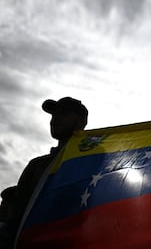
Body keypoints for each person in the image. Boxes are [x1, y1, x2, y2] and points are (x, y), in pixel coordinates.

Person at [0, 97, 88, 248]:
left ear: (81, 122)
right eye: (53, 115)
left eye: (63, 114)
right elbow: (17, 217)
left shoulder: (93, 160)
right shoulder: (37, 165)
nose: (54, 120)